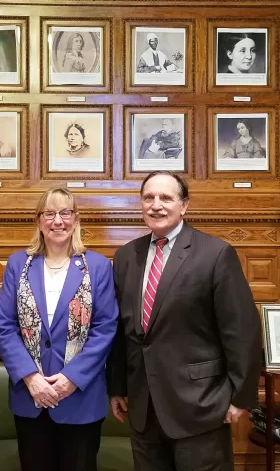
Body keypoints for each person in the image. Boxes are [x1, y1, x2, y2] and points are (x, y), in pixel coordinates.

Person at [107, 171, 261, 471]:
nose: (156, 205)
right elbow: (121, 331)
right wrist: (117, 388)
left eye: (166, 198)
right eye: (149, 198)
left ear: (184, 206)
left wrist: (241, 397)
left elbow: (242, 331)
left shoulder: (215, 254)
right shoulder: (126, 256)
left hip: (200, 406)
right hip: (143, 408)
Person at [0, 187, 118, 471]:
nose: (58, 221)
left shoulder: (97, 266)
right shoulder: (18, 264)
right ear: (39, 221)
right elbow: (6, 325)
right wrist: (31, 378)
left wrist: (71, 379)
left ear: (76, 219)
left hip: (81, 399)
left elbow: (105, 328)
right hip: (30, 398)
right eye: (49, 213)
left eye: (65, 213)